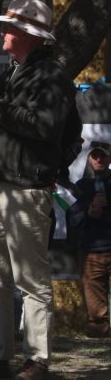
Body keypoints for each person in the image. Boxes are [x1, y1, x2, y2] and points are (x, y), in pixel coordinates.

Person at [0, 0, 78, 380]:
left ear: (29, 34)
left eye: (9, 29)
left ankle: (37, 358)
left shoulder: (52, 77)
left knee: (31, 278)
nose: (3, 34)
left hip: (26, 188)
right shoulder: (14, 73)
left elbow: (46, 127)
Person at [68, 141, 111, 339]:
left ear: (109, 159)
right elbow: (73, 220)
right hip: (91, 254)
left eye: (103, 156)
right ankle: (100, 338)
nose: (99, 159)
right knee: (96, 316)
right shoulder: (81, 187)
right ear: (89, 159)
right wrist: (90, 212)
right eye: (95, 156)